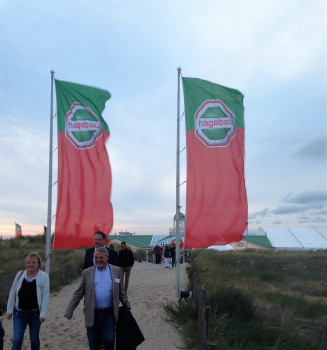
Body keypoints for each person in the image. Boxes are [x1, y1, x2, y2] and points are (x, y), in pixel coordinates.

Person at [65, 247, 130, 350]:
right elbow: (78, 293)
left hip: (110, 313)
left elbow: (121, 291)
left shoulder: (116, 270)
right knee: (93, 343)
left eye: (101, 258)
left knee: (109, 340)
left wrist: (127, 306)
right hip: (92, 313)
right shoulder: (86, 272)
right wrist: (70, 310)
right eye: (96, 257)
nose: (98, 260)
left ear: (107, 258)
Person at [6, 252, 50, 350]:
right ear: (26, 263)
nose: (30, 264)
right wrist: (9, 311)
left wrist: (43, 313)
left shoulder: (44, 276)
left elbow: (45, 295)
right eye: (28, 262)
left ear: (38, 264)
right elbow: (12, 293)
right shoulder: (20, 274)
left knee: (34, 339)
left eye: (33, 262)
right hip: (19, 313)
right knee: (17, 339)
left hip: (35, 314)